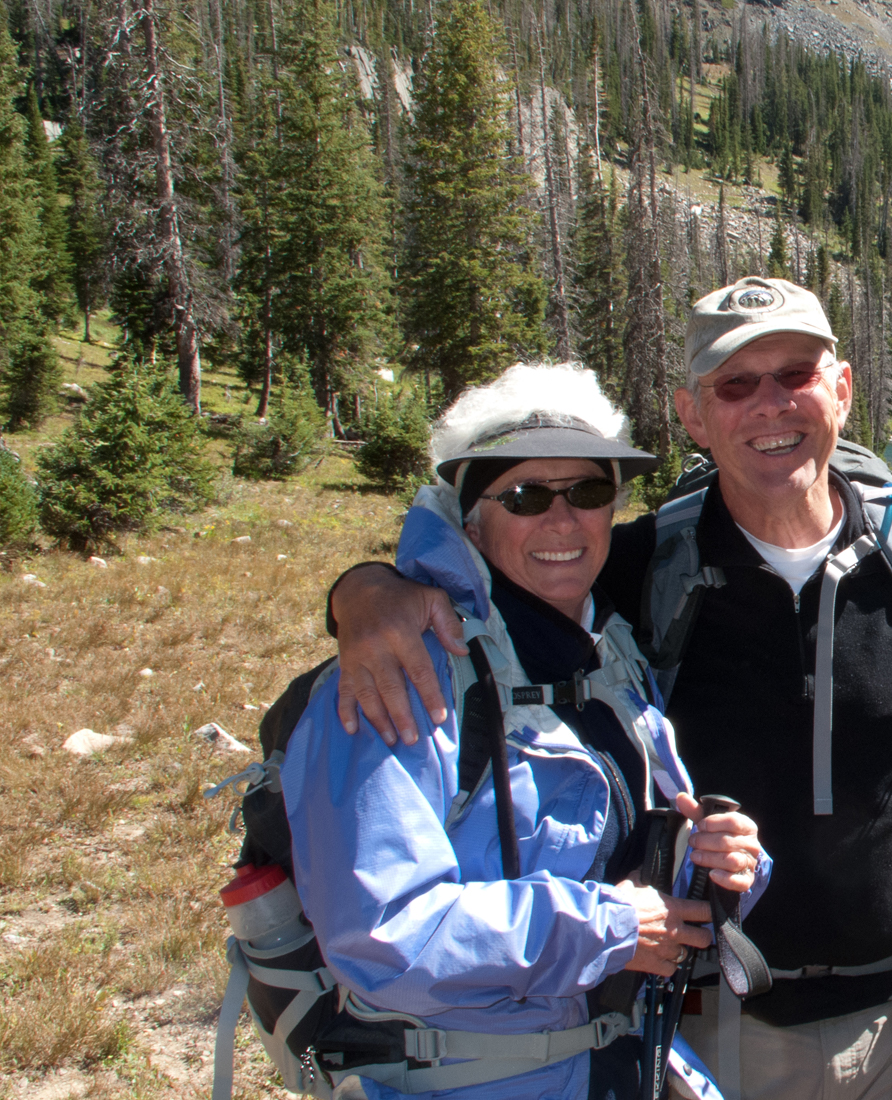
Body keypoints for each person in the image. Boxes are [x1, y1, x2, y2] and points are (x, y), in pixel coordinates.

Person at [326, 279, 892, 1100]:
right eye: (734, 385)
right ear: (692, 416)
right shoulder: (636, 569)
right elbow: (494, 581)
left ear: (842, 389)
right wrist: (366, 592)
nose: (769, 405)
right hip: (708, 1021)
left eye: (793, 374)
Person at [285, 363, 767, 1099]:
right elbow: (381, 932)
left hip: (623, 1064)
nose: (563, 520)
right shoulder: (401, 675)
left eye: (590, 492)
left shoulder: (611, 659)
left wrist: (719, 867)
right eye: (525, 496)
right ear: (470, 517)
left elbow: (633, 883)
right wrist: (606, 928)